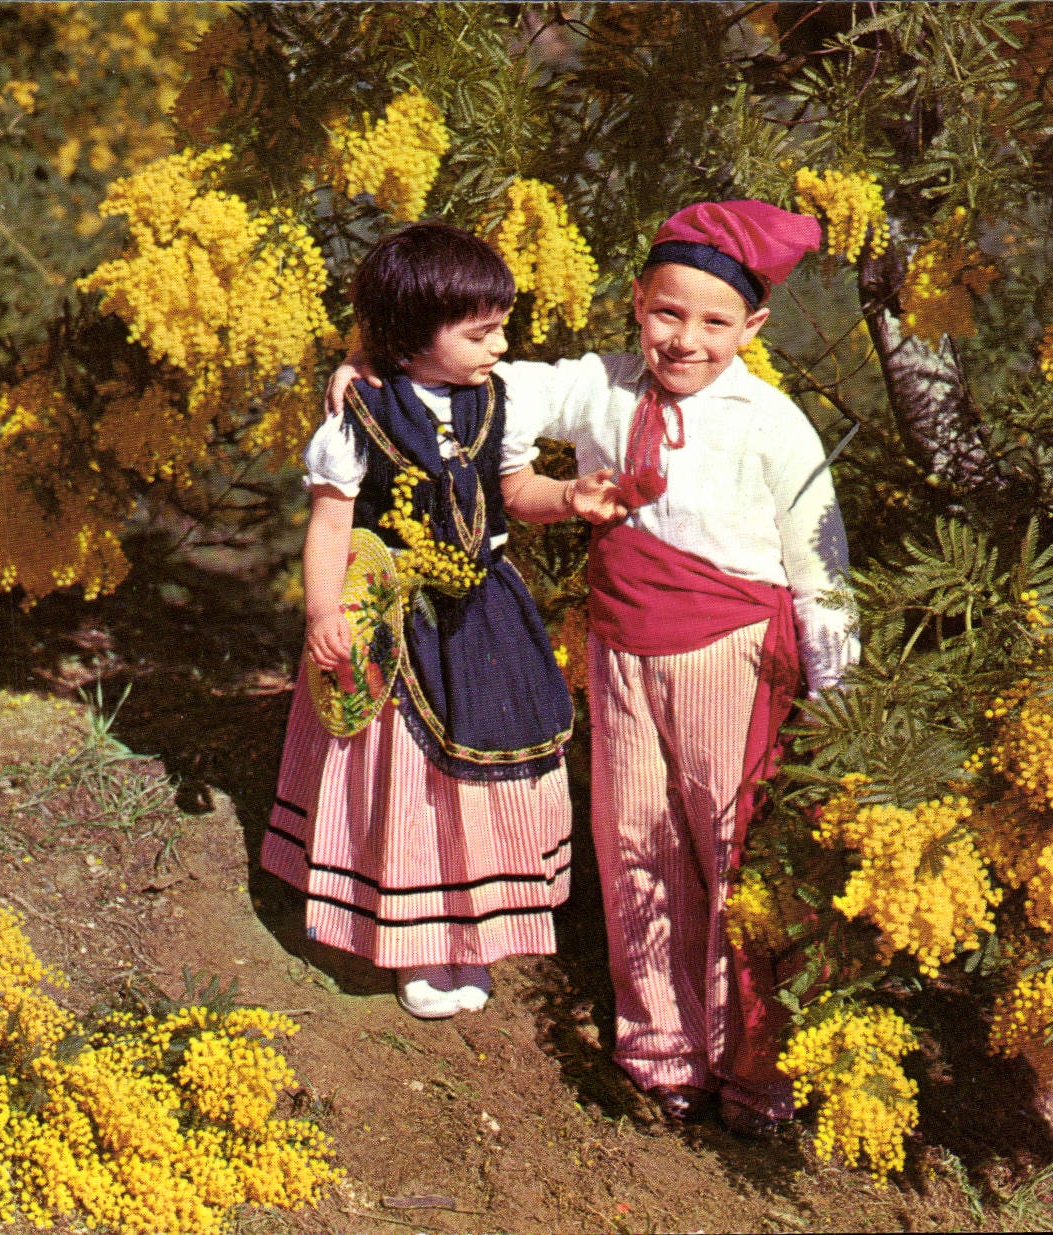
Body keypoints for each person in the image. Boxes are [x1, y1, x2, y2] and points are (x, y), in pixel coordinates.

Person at [330, 200, 857, 1134]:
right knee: (633, 841)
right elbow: (462, 383)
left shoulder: (771, 425)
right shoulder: (601, 388)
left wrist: (840, 693)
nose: (684, 339)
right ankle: (660, 1049)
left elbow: (821, 568)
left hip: (732, 657)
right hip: (620, 648)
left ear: (753, 327)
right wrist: (372, 367)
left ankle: (757, 1062)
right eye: (666, 313)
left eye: (713, 322)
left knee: (736, 848)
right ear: (635, 303)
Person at [265, 222, 625, 1021]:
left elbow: (516, 492)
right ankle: (416, 939)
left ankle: (472, 932)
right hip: (395, 615)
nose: (500, 342)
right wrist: (325, 610)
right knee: (413, 775)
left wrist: (570, 499)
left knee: (490, 759)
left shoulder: (500, 398)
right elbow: (328, 526)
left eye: (500, 324)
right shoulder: (359, 415)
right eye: (480, 331)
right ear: (409, 336)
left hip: (487, 610)